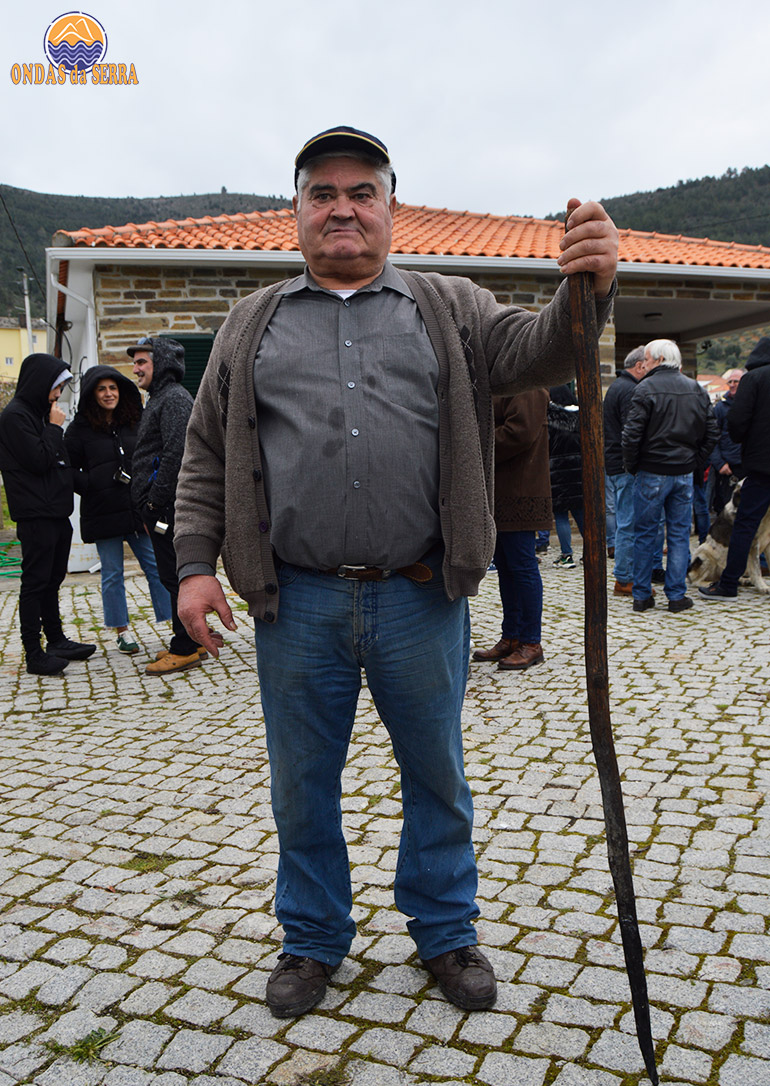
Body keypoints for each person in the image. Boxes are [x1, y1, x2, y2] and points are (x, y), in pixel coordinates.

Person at [173, 126, 619, 1019]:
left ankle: (446, 930)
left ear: (389, 207)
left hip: (421, 595)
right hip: (295, 599)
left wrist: (590, 288)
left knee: (437, 774)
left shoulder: (449, 305)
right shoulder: (250, 324)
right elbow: (203, 456)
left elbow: (538, 350)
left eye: (361, 191)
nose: (343, 206)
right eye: (322, 192)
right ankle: (311, 938)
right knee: (302, 782)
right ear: (295, 211)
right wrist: (193, 564)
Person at [64, 365, 172, 653]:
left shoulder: (134, 421)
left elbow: (152, 455)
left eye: (112, 388)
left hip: (137, 508)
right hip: (102, 510)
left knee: (157, 565)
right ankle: (122, 632)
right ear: (91, 394)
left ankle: (176, 622)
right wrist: (92, 482)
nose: (108, 394)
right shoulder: (79, 430)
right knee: (112, 573)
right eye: (101, 389)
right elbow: (68, 469)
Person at [0, 353, 96, 675]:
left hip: (56, 512)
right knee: (35, 582)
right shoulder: (15, 417)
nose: (58, 396)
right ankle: (33, 653)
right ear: (41, 384)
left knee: (53, 580)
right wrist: (55, 428)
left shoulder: (40, 416)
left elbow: (60, 463)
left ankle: (55, 639)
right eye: (55, 388)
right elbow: (39, 460)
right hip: (36, 514)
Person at [622, 339, 717, 612]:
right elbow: (712, 433)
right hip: (683, 472)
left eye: (648, 359)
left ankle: (641, 595)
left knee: (645, 534)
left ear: (660, 360)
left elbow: (631, 436)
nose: (645, 364)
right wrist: (694, 462)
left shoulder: (645, 388)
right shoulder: (696, 389)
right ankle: (676, 596)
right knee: (678, 535)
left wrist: (634, 466)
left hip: (652, 471)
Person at [128, 337, 203, 675]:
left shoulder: (173, 399)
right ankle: (189, 637)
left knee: (175, 577)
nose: (135, 369)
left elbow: (176, 453)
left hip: (168, 508)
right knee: (173, 576)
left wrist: (155, 500)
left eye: (142, 361)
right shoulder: (159, 398)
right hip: (159, 506)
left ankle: (185, 648)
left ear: (160, 363)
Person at [472, 390, 550, 671]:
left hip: (521, 489)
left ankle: (531, 642)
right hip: (502, 492)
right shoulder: (505, 383)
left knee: (522, 566)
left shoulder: (528, 385)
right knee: (506, 567)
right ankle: (512, 636)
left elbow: (520, 432)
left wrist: (475, 442)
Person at [699, 339, 770, 601]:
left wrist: (744, 439)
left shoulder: (754, 379)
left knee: (745, 525)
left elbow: (737, 421)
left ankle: (728, 584)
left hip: (761, 466)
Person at [603, 346, 646, 595]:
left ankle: (626, 574)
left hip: (616, 463)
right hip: (625, 466)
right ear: (639, 366)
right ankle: (624, 577)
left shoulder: (618, 386)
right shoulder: (630, 389)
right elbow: (631, 433)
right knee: (628, 523)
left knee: (624, 520)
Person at [548, 383, 584, 568]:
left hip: (558, 470)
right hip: (578, 469)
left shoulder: (551, 417)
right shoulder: (581, 415)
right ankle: (590, 551)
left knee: (561, 514)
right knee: (580, 511)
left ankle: (566, 555)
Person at [709, 367, 746, 514]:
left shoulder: (752, 405)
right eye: (730, 381)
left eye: (736, 381)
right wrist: (719, 463)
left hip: (748, 466)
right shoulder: (720, 408)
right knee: (726, 511)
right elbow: (712, 437)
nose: (732, 384)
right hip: (727, 469)